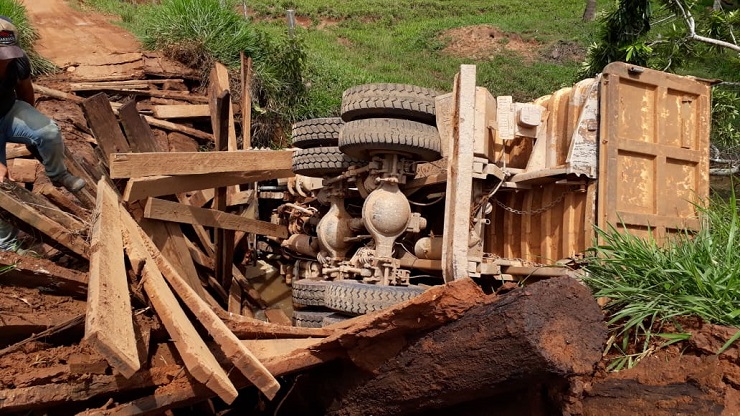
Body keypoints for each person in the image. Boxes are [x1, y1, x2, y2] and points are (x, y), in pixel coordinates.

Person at [0, 16, 85, 253]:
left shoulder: (18, 62)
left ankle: (58, 175)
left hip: (7, 111)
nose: (3, 62)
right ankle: (7, 244)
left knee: (48, 132)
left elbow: (26, 94)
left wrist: (32, 133)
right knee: (0, 182)